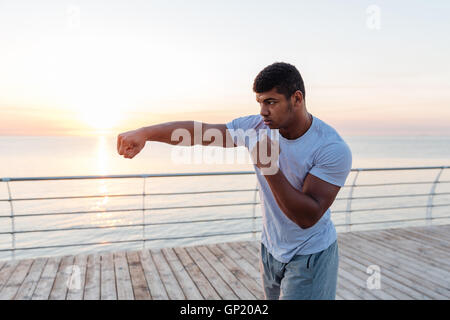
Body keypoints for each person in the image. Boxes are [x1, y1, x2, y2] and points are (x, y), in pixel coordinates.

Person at [117, 62, 352, 300]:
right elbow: (198, 132)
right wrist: (145, 133)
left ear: (297, 99)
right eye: (260, 102)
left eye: (271, 102)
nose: (263, 111)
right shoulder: (256, 127)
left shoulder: (330, 148)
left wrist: (268, 167)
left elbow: (307, 217)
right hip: (271, 250)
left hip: (310, 255)